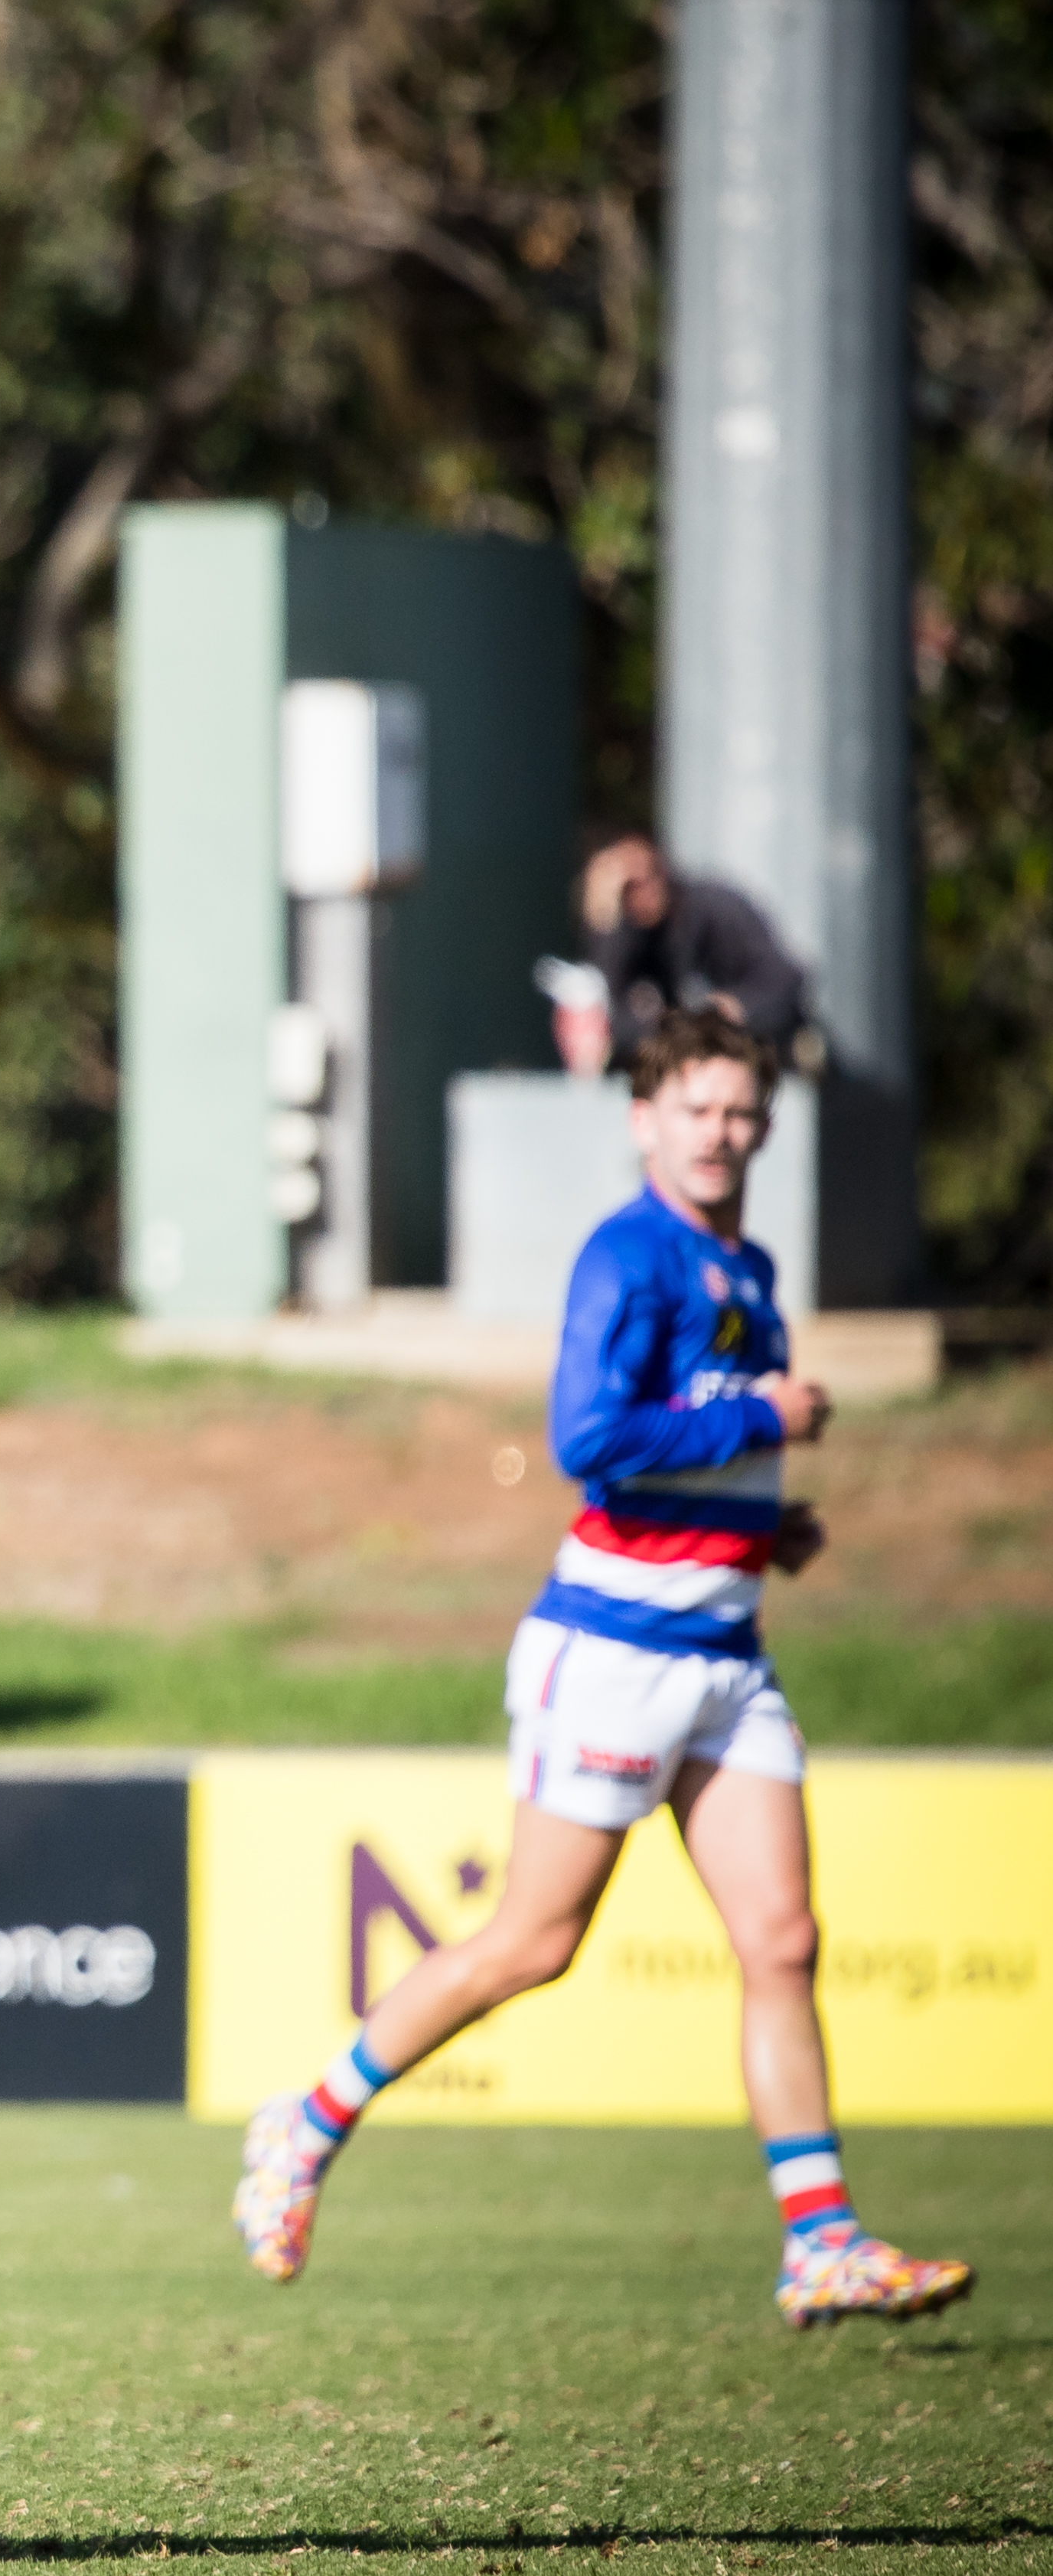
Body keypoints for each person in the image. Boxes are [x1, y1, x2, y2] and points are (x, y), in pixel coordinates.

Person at [233, 1004, 973, 2330]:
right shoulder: (627, 1255)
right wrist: (759, 1419)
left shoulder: (745, 1265)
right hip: (616, 1650)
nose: (719, 1132)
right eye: (695, 1108)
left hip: (725, 1652)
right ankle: (308, 2118)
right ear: (645, 1119)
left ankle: (820, 2240)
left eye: (739, 1111)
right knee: (534, 1942)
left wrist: (764, 1525)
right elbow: (588, 1435)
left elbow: (683, 1449)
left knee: (782, 1940)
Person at [544, 825, 813, 1076]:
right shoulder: (627, 937)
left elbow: (787, 979)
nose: (645, 890)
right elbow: (611, 1014)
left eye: (651, 873)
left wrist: (734, 1007)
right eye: (630, 887)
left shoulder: (714, 908)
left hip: (754, 1062)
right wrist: (607, 922)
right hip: (683, 1076)